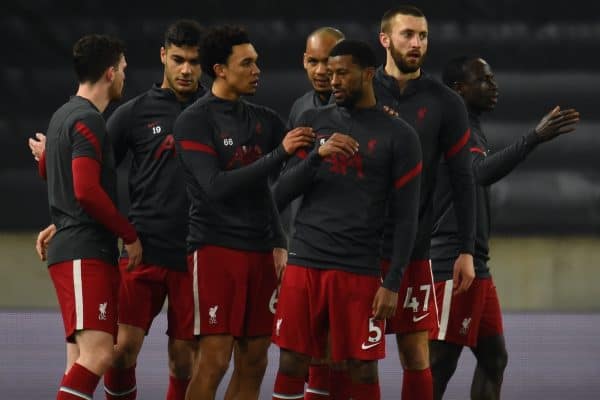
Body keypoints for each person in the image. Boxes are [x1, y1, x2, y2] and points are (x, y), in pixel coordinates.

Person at [32, 20, 206, 400]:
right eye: (178, 59)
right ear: (164, 56)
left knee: (183, 360)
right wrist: (61, 222)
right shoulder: (132, 113)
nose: (186, 69)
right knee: (119, 352)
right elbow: (86, 175)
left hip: (194, 253)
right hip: (142, 248)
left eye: (194, 61)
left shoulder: (214, 112)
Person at [271, 39, 422, 400]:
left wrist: (394, 282)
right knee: (292, 361)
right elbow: (279, 194)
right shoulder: (312, 121)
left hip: (358, 269)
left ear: (368, 74)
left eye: (342, 72)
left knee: (361, 367)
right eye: (328, 71)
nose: (331, 79)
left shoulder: (399, 135)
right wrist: (316, 156)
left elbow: (406, 217)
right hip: (305, 260)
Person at [173, 25, 315, 400]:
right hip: (215, 249)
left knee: (255, 360)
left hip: (261, 252)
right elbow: (216, 187)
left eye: (257, 62)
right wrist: (279, 154)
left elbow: (290, 174)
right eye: (247, 63)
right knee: (215, 360)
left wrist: (279, 240)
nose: (257, 70)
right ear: (220, 69)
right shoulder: (194, 120)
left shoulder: (264, 120)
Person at [429, 56, 580, 400]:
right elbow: (479, 172)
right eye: (483, 79)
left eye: (493, 78)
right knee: (440, 363)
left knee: (494, 358)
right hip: (453, 264)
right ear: (458, 89)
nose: (493, 85)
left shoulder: (471, 124)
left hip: (476, 265)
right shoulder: (456, 126)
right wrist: (533, 138)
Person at [373, 6, 477, 400]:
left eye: (423, 36)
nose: (417, 44)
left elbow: (462, 178)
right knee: (345, 355)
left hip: (415, 249)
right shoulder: (361, 92)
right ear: (385, 39)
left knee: (416, 352)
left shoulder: (445, 102)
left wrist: (466, 249)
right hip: (357, 247)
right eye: (407, 35)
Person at [42, 34, 142, 400]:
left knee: (80, 361)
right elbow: (85, 190)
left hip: (73, 250)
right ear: (110, 73)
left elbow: (61, 177)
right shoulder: (88, 120)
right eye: (124, 70)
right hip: (85, 252)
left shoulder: (62, 116)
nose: (125, 78)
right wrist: (129, 234)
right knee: (100, 354)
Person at [287, 27, 345, 129]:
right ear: (305, 61)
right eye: (313, 61)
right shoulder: (300, 107)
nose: (320, 71)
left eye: (328, 61)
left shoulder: (365, 107)